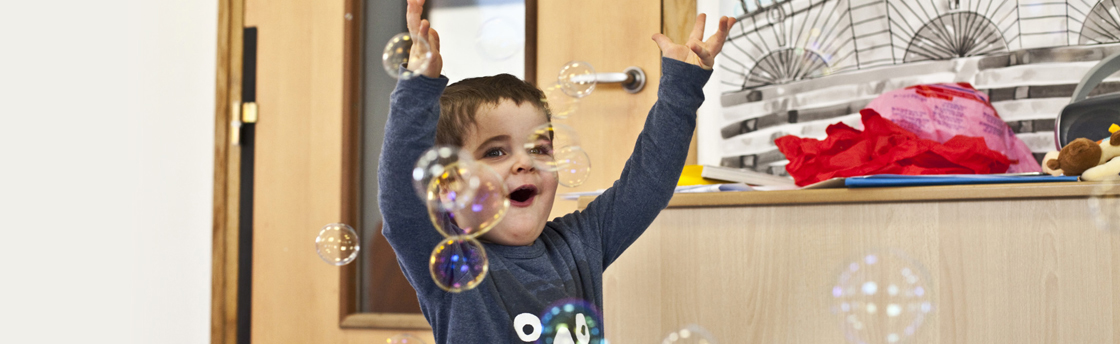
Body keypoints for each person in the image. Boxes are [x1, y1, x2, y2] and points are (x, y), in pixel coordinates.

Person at [378, 0, 735, 342]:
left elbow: (649, 181)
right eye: (496, 151)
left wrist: (682, 87)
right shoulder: (455, 264)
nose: (524, 162)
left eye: (538, 148)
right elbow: (400, 204)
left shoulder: (580, 242)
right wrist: (418, 87)